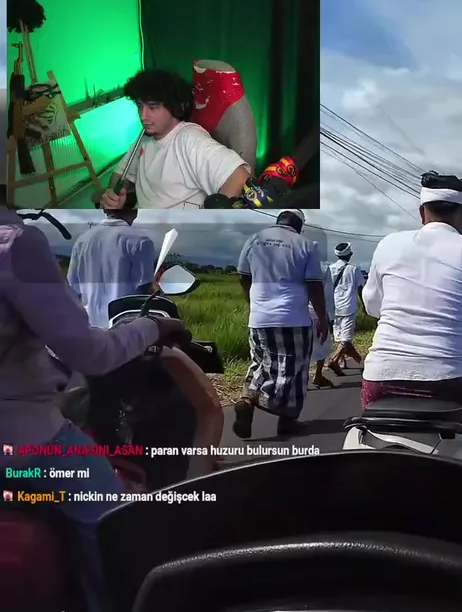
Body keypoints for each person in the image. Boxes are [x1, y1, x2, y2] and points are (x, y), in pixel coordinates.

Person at [0, 196, 188, 612]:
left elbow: (74, 294)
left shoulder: (82, 240)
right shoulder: (17, 241)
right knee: (120, 537)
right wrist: (154, 327)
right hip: (30, 433)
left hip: (69, 337)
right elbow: (90, 349)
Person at [360, 171, 462, 442]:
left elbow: (372, 307)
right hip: (456, 382)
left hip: (379, 378)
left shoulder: (388, 245)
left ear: (422, 213)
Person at [232, 210, 328, 438]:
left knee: (259, 363)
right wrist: (323, 319)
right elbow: (314, 284)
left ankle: (247, 399)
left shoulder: (254, 239)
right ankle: (287, 421)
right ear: (299, 225)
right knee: (294, 370)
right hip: (293, 319)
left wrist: (253, 302)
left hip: (259, 319)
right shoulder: (306, 244)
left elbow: (243, 275)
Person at [98, 69, 253, 210]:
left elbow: (239, 178)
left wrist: (211, 222)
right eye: (140, 106)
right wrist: (113, 195)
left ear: (176, 107)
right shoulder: (144, 139)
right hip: (140, 225)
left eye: (152, 108)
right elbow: (120, 174)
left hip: (174, 230)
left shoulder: (190, 139)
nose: (143, 116)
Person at [65, 209, 158, 329]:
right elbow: (144, 289)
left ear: (105, 210)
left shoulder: (82, 241)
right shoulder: (141, 241)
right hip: (124, 328)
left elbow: (73, 288)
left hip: (89, 329)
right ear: (135, 211)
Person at [325, 242, 365, 374]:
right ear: (350, 254)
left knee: (340, 336)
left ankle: (344, 362)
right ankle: (334, 360)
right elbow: (360, 288)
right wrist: (364, 304)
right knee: (346, 338)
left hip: (334, 307)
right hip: (348, 306)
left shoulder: (330, 269)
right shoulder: (353, 269)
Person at [310, 258, 337, 389]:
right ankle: (317, 374)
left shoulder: (293, 263)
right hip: (318, 312)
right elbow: (327, 294)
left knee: (302, 347)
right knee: (322, 344)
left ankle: (301, 378)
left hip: (298, 312)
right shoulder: (323, 268)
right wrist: (328, 316)